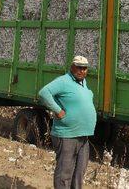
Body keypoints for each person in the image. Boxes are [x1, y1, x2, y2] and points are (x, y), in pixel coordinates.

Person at [38, 56, 96, 189]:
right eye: (79, 67)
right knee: (64, 173)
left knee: (79, 173)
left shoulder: (83, 83)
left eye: (84, 68)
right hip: (66, 135)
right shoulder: (63, 81)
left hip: (83, 136)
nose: (82, 71)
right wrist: (58, 111)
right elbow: (44, 93)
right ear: (72, 67)